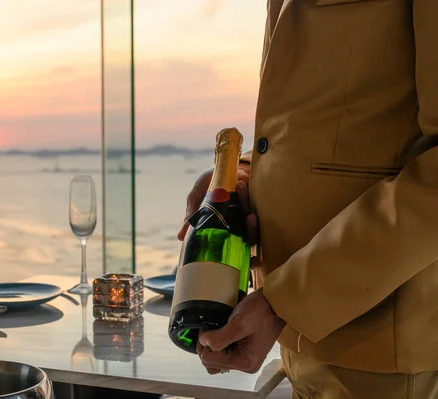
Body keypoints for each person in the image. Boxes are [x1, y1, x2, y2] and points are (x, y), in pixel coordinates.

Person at [178, 0, 438, 397]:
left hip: (381, 352)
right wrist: (241, 177)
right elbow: (314, 127)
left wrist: (287, 303)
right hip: (297, 341)